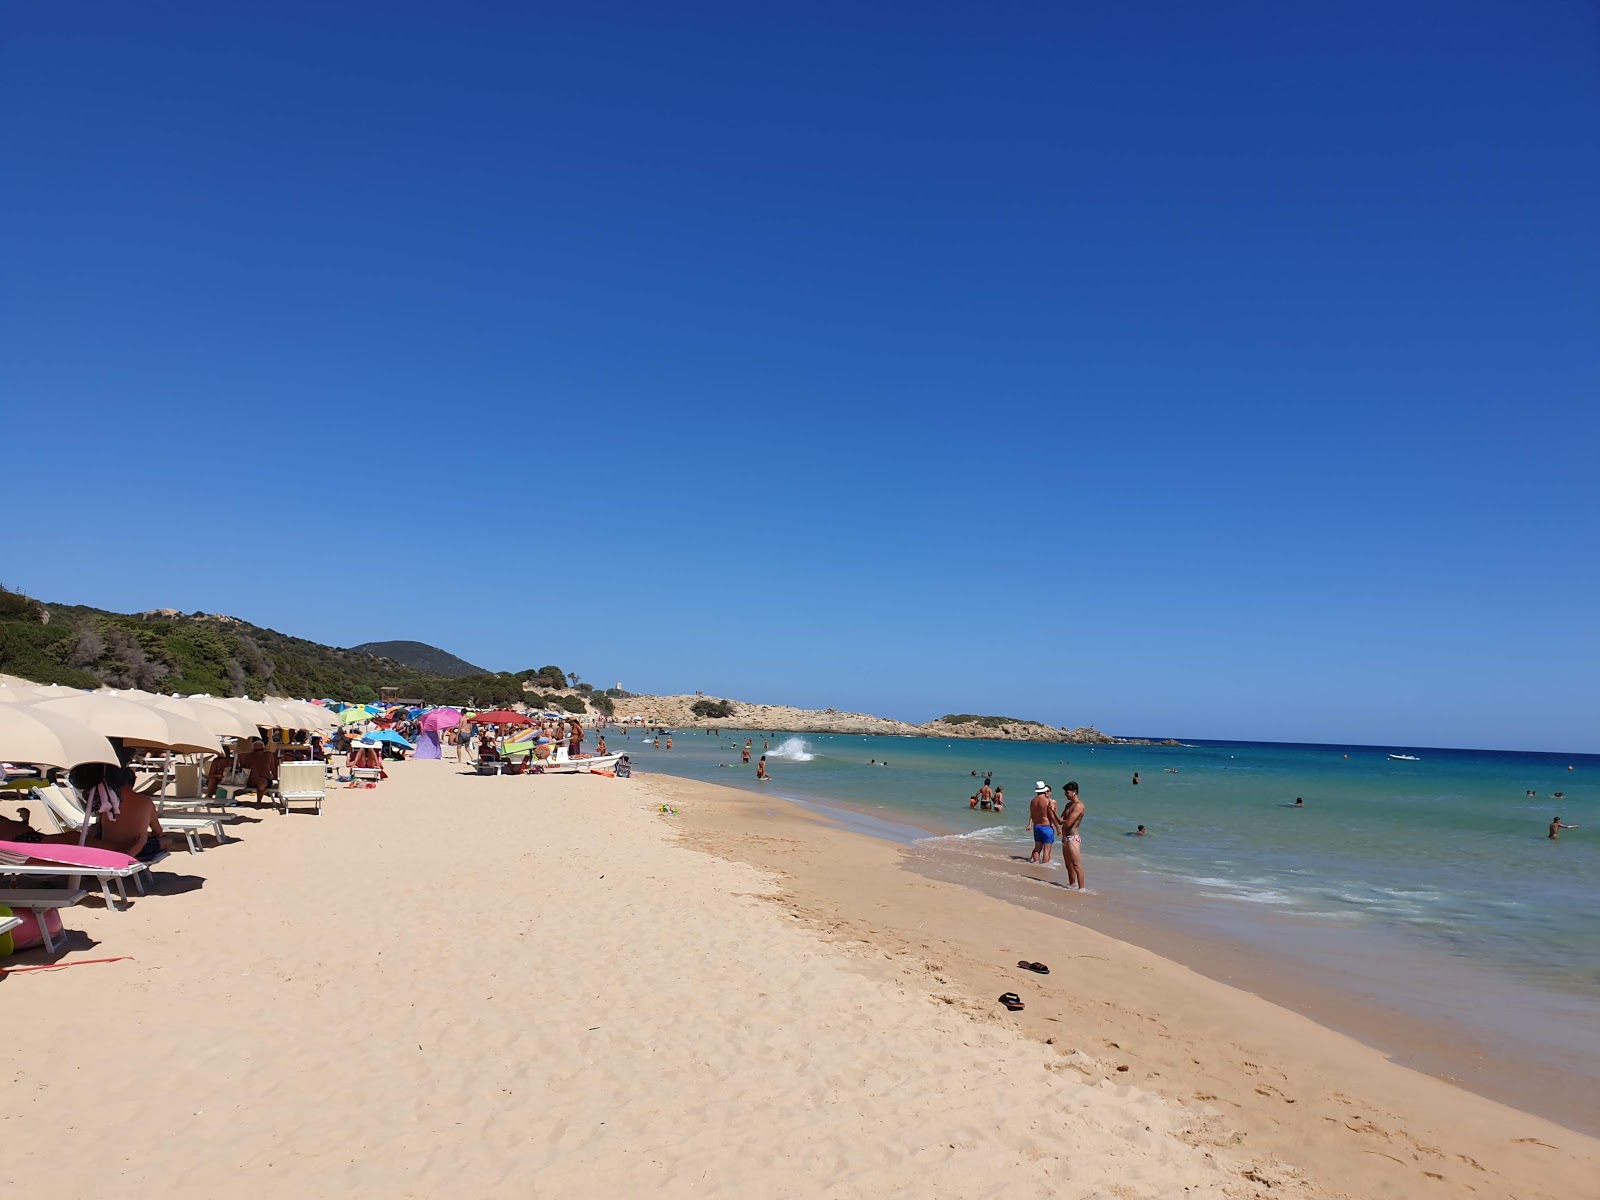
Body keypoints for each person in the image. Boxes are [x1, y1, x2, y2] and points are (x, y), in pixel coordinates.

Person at [0, 764, 163, 858]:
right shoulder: (145, 801)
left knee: (77, 837)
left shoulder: (110, 802)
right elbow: (159, 832)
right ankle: (124, 851)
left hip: (25, 839)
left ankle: (124, 849)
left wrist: (23, 822)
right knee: (75, 838)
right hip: (25, 842)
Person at [1059, 781, 1086, 891]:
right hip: (1065, 838)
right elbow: (1061, 820)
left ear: (1074, 792)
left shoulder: (1079, 806)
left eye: (1067, 792)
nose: (1065, 794)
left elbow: (1068, 823)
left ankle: (1082, 889)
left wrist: (1062, 820)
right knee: (1068, 866)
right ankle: (1072, 886)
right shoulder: (1068, 805)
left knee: (1076, 866)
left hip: (1073, 838)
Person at [1028, 782, 1057, 864]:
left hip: (1036, 826)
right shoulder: (1048, 801)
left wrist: (1029, 824)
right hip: (1046, 827)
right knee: (1047, 850)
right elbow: (1052, 816)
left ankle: (1036, 863)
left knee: (1037, 848)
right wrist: (1058, 828)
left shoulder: (1033, 801)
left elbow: (1032, 815)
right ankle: (1045, 866)